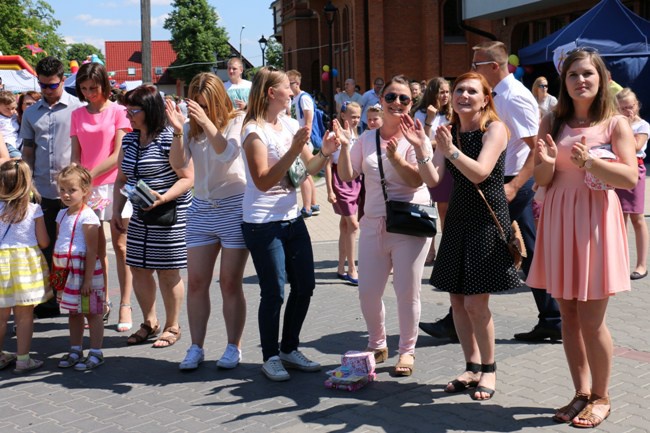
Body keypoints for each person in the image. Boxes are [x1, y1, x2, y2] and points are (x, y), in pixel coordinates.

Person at [527, 48, 637, 428]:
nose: (581, 81)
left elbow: (630, 179)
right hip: (559, 219)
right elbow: (542, 179)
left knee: (592, 321)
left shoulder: (614, 124)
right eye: (573, 75)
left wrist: (590, 162)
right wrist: (544, 160)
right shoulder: (551, 122)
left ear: (601, 78)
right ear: (565, 81)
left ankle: (603, 396)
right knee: (568, 319)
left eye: (588, 73)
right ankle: (581, 392)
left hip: (595, 223)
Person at [426, 41, 562, 343]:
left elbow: (535, 146)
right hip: (496, 181)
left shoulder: (514, 97)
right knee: (526, 248)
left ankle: (458, 318)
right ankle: (552, 318)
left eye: (477, 64)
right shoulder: (499, 96)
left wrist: (515, 185)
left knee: (491, 247)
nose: (473, 69)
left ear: (494, 67)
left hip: (508, 183)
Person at [416, 72, 521, 400]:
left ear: (485, 98)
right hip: (458, 219)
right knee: (457, 300)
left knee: (477, 303)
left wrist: (451, 152)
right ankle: (471, 366)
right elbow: (433, 178)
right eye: (459, 89)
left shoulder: (495, 129)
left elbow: (482, 171)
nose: (463, 95)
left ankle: (489, 370)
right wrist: (423, 148)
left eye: (471, 91)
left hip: (487, 221)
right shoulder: (449, 130)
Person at [240, 67, 338, 381]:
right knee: (274, 292)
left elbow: (310, 167)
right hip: (262, 222)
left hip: (291, 219)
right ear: (272, 93)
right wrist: (295, 148)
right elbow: (263, 180)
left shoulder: (289, 123)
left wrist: (326, 151)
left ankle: (288, 348)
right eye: (287, 87)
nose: (293, 91)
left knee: (305, 285)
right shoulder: (253, 130)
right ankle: (270, 356)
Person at [336, 75, 433, 377]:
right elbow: (348, 174)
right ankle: (377, 342)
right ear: (381, 99)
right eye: (391, 97)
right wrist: (342, 146)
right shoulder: (367, 137)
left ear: (411, 103)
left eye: (404, 99)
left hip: (408, 224)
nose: (397, 104)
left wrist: (398, 159)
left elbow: (417, 179)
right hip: (374, 223)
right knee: (368, 291)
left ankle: (407, 351)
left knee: (407, 292)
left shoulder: (417, 136)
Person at [166, 72, 249, 371]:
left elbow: (227, 153)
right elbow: (177, 165)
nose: (198, 109)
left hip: (233, 206)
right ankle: (196, 347)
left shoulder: (237, 120)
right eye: (195, 104)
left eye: (204, 104)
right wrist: (178, 130)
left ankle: (232, 346)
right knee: (198, 282)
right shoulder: (190, 126)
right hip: (201, 208)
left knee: (229, 282)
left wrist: (207, 121)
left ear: (216, 101)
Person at [111, 85, 193, 348]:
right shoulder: (130, 140)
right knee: (139, 268)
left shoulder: (170, 137)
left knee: (168, 272)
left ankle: (173, 325)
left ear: (150, 110)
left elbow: (188, 178)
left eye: (133, 110)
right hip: (140, 214)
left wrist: (164, 197)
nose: (128, 115)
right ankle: (150, 322)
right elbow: (121, 179)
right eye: (127, 110)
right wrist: (116, 210)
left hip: (169, 214)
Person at [70, 62, 134, 331]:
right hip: (89, 189)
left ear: (105, 86)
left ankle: (126, 305)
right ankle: (102, 301)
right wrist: (76, 179)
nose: (89, 93)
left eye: (93, 88)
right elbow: (75, 154)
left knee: (121, 247)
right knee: (94, 251)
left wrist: (89, 174)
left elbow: (119, 154)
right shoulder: (77, 114)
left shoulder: (119, 111)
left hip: (116, 186)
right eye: (84, 89)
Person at [20, 56, 83, 318]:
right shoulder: (31, 112)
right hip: (43, 191)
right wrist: (27, 183)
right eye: (42, 85)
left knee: (74, 247)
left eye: (52, 85)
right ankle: (52, 299)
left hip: (73, 192)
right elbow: (28, 151)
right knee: (47, 249)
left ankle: (77, 296)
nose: (46, 90)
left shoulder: (78, 107)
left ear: (62, 80)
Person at [55, 164, 106, 371]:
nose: (66, 195)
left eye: (72, 190)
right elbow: (60, 241)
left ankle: (96, 352)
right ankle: (76, 349)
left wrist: (86, 280)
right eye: (62, 190)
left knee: (92, 311)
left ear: (85, 191)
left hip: (85, 270)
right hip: (65, 270)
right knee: (73, 312)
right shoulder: (61, 215)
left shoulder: (89, 217)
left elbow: (93, 251)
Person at [0, 160, 49, 374]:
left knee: (1, 316)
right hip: (26, 266)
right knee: (24, 315)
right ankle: (23, 359)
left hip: (1, 263)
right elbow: (44, 241)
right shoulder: (34, 210)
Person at [412, 77, 453, 267]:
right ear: (433, 93)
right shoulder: (421, 113)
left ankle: (446, 250)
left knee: (445, 210)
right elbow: (422, 141)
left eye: (447, 92)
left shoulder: (452, 113)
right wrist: (429, 122)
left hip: (450, 165)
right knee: (429, 210)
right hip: (429, 164)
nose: (445, 96)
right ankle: (430, 249)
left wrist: (439, 143)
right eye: (441, 92)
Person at [326, 101, 362, 285]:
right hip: (339, 181)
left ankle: (341, 266)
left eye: (357, 116)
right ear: (343, 116)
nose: (355, 120)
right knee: (353, 225)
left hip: (355, 181)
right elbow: (327, 163)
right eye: (352, 116)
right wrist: (329, 189)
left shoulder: (357, 135)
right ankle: (352, 268)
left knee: (345, 225)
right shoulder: (334, 135)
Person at [615, 88, 648, 280]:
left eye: (631, 106)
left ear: (637, 105)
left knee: (637, 217)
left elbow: (635, 146)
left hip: (635, 170)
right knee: (620, 220)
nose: (629, 111)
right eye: (624, 108)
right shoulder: (616, 123)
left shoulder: (642, 125)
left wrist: (624, 126)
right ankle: (620, 263)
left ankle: (642, 265)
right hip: (618, 170)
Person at [287, 70, 320, 218]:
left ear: (297, 83)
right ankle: (313, 204)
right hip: (299, 138)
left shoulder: (304, 98)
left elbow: (308, 120)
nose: (288, 86)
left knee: (302, 174)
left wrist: (304, 139)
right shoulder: (294, 99)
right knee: (307, 173)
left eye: (290, 83)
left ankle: (306, 207)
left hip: (304, 140)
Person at [0, 90, 21, 158]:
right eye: (7, 109)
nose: (11, 111)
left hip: (17, 142)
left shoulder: (15, 115)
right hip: (6, 144)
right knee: (19, 157)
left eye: (13, 108)